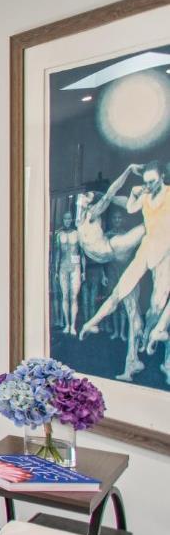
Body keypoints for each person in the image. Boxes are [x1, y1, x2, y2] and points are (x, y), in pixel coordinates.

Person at [80, 163, 170, 374]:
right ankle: (137, 353)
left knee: (156, 305)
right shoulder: (144, 195)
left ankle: (152, 339)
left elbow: (113, 195)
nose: (149, 185)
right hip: (131, 252)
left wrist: (129, 173)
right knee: (125, 299)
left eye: (153, 181)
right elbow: (122, 202)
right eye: (146, 182)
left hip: (141, 250)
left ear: (162, 177)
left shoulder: (94, 211)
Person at [75, 181, 146, 380]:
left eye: (87, 195)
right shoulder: (87, 221)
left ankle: (132, 362)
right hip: (114, 262)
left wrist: (127, 174)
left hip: (118, 258)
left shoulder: (97, 214)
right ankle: (133, 361)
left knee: (133, 315)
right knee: (133, 315)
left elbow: (109, 195)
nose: (83, 196)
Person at [53, 207, 83, 335]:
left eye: (69, 218)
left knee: (74, 296)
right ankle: (67, 324)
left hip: (75, 267)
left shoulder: (77, 234)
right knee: (65, 295)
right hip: (63, 267)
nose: (67, 221)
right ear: (63, 220)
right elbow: (57, 254)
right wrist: (55, 270)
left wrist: (83, 271)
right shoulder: (59, 235)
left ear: (72, 220)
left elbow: (81, 253)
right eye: (65, 218)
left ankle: (73, 326)